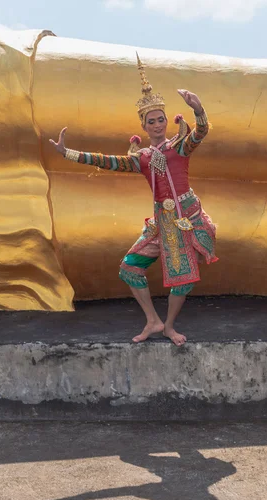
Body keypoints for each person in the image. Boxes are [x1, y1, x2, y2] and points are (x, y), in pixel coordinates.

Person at [50, 54, 218, 346]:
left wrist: (198, 109)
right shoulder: (140, 159)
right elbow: (108, 161)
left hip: (183, 217)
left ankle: (169, 326)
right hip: (160, 222)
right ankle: (152, 320)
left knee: (184, 278)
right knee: (129, 267)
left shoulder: (179, 148)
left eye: (160, 119)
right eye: (150, 121)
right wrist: (68, 153)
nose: (156, 124)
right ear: (143, 126)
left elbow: (200, 133)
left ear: (167, 121)